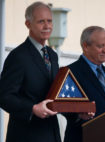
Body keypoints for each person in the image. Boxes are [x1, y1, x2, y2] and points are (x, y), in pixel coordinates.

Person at [0, 2, 61, 142]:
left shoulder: (52, 55)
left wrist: (78, 112)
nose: (47, 26)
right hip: (26, 135)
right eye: (41, 22)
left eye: (49, 21)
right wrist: (32, 109)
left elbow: (55, 94)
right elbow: (3, 96)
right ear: (28, 24)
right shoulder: (18, 56)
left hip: (52, 134)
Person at [64, 26, 105, 142]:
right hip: (83, 137)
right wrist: (79, 115)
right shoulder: (71, 72)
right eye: (100, 46)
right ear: (85, 46)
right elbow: (64, 108)